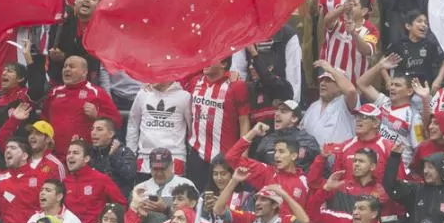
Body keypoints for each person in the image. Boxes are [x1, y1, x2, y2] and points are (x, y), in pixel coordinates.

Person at [185, 59, 250, 188]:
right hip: (196, 152)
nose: (205, 61)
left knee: (222, 200)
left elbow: (244, 121)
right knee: (197, 198)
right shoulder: (195, 82)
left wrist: (243, 156)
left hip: (225, 156)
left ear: (224, 63)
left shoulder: (236, 85)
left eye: (211, 58)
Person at [42, 56, 122, 158]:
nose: (67, 69)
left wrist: (97, 115)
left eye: (72, 66)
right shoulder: (54, 92)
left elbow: (117, 121)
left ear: (84, 72)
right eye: (65, 66)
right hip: (54, 155)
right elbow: (44, 120)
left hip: (84, 157)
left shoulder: (96, 92)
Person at [127, 81, 192, 175]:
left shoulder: (184, 97)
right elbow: (133, 124)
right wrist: (131, 152)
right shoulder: (143, 94)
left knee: (174, 189)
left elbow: (191, 128)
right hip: (145, 158)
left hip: (175, 157)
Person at [64, 138, 127, 223]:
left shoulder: (100, 179)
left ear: (86, 159)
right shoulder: (65, 181)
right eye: (69, 153)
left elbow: (122, 205)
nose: (70, 156)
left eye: (75, 153)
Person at [300, 63, 358, 148]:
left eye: (328, 80)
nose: (322, 83)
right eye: (322, 80)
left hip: (338, 158)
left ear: (340, 86)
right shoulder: (313, 106)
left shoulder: (345, 103)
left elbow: (351, 91)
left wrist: (331, 70)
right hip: (312, 158)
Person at [252, 100, 320, 172]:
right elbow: (256, 169)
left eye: (283, 112)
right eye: (277, 111)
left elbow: (320, 169)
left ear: (294, 118)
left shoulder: (307, 141)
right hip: (271, 182)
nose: (277, 114)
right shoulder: (267, 139)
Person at [90, 117, 137, 198]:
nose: (93, 132)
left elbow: (130, 176)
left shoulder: (124, 152)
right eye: (92, 129)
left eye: (99, 129)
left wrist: (113, 157)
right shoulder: (91, 152)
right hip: (95, 198)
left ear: (111, 134)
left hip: (117, 200)